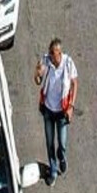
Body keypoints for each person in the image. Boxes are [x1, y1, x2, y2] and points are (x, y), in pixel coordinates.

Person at [34, 38, 77, 182]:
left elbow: (74, 83)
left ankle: (62, 157)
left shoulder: (68, 63)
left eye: (53, 53)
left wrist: (71, 106)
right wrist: (37, 74)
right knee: (50, 142)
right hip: (48, 109)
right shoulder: (46, 61)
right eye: (50, 53)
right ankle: (53, 170)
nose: (51, 56)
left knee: (62, 142)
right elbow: (38, 81)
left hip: (61, 111)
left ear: (59, 53)